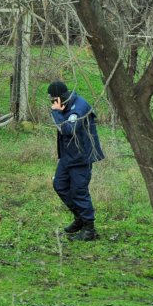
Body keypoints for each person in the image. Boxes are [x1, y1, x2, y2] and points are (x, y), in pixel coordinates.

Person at [47, 80, 105, 241]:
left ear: (60, 98)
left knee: (79, 191)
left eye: (54, 100)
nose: (52, 104)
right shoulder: (67, 105)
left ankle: (89, 229)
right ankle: (80, 217)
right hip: (68, 156)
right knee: (59, 184)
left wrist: (56, 112)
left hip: (81, 157)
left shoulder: (78, 108)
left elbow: (68, 129)